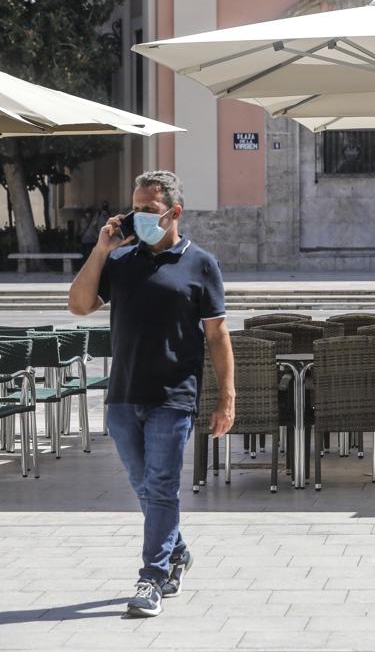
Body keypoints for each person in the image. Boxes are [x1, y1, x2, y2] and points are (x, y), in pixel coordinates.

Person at [67, 170, 234, 618]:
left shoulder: (201, 264)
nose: (137, 217)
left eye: (147, 210)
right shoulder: (120, 262)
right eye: (134, 209)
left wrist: (226, 398)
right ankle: (177, 551)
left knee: (161, 487)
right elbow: (79, 305)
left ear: (174, 213)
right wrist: (101, 250)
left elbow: (217, 335)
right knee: (145, 487)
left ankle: (152, 577)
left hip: (173, 396)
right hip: (122, 396)